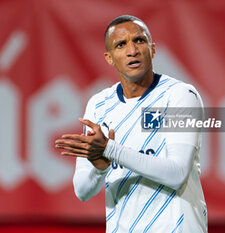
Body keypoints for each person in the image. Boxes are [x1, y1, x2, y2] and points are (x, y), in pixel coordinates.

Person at [55, 15, 207, 233]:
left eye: (139, 40)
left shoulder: (180, 95)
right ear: (109, 57)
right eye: (121, 45)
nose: (132, 50)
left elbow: (177, 173)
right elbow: (82, 191)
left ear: (152, 49)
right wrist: (100, 168)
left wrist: (109, 149)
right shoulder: (98, 105)